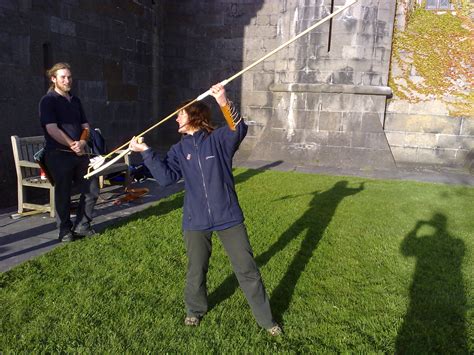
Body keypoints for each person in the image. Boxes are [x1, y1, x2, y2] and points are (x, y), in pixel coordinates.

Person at [129, 84, 282, 336]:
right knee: (196, 268)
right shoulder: (179, 149)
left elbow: (239, 128)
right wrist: (146, 152)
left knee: (247, 269)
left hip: (228, 215)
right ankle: (194, 310)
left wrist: (223, 100)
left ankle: (266, 320)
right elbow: (166, 178)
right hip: (195, 219)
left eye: (180, 113)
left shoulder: (219, 139)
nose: (176, 117)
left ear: (194, 115)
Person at [39, 62, 99, 242]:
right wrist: (72, 144)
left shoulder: (76, 100)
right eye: (63, 77)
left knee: (92, 187)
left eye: (69, 77)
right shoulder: (48, 101)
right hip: (58, 153)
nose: (67, 80)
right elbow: (51, 128)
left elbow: (86, 126)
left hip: (79, 153)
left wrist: (81, 141)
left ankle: (82, 226)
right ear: (53, 79)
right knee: (63, 193)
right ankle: (64, 230)